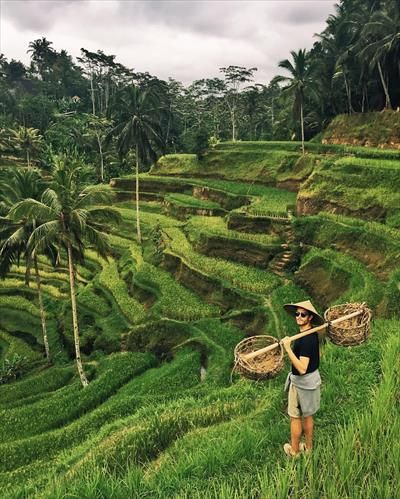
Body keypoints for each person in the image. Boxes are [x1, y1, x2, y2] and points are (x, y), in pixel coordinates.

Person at [280, 300, 324, 457]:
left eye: (303, 314)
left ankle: (295, 450)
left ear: (310, 317)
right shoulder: (309, 335)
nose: (298, 316)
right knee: (308, 415)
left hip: (301, 383)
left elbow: (302, 367)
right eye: (297, 314)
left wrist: (287, 348)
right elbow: (316, 356)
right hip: (312, 381)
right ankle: (309, 448)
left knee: (295, 417)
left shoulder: (306, 339)